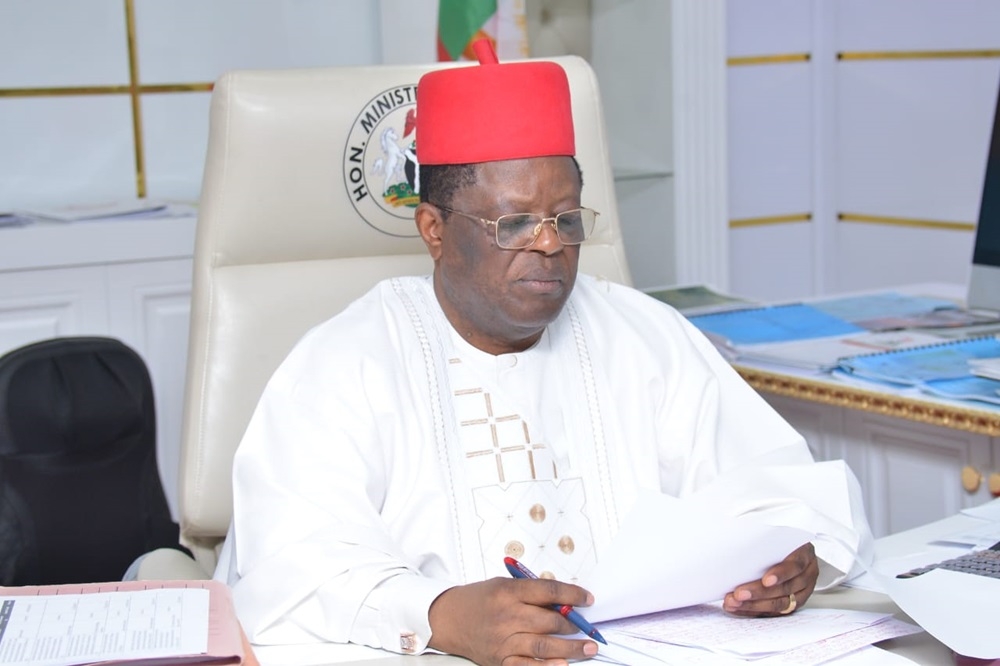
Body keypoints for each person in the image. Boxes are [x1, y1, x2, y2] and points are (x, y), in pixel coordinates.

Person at [215, 41, 873, 666]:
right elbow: (290, 566)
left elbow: (774, 487)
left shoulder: (645, 336)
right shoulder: (346, 361)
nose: (551, 244)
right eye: (514, 224)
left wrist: (788, 558)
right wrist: (439, 613)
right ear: (434, 230)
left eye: (567, 218)